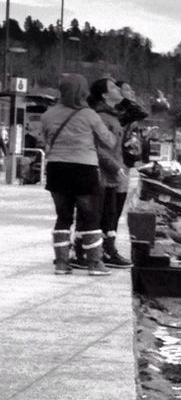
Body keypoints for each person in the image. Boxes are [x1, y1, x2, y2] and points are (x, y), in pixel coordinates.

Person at [37, 74, 118, 275]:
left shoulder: (48, 114)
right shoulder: (89, 115)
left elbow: (46, 138)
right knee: (90, 216)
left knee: (63, 216)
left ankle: (62, 263)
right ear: (83, 92)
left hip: (56, 168)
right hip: (84, 169)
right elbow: (109, 141)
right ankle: (94, 263)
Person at [87, 77, 132, 266]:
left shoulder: (112, 115)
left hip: (112, 173)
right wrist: (114, 166)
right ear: (105, 95)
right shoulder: (102, 117)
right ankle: (99, 252)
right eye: (113, 87)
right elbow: (98, 147)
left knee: (110, 214)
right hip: (103, 173)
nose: (119, 90)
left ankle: (107, 250)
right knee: (101, 214)